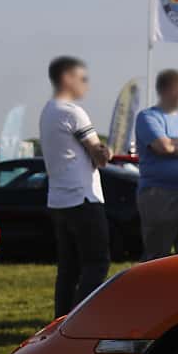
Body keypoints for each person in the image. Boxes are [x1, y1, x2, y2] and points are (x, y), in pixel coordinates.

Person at [39, 55, 111, 318]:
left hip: (59, 199)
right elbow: (98, 155)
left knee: (68, 268)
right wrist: (107, 150)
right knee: (97, 263)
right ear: (67, 78)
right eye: (83, 79)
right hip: (83, 198)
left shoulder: (48, 110)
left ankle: (61, 320)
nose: (87, 86)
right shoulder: (73, 112)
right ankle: (82, 319)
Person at [133, 69, 178, 259]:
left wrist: (174, 142)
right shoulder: (148, 117)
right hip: (159, 194)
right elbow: (163, 147)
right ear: (165, 90)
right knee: (157, 254)